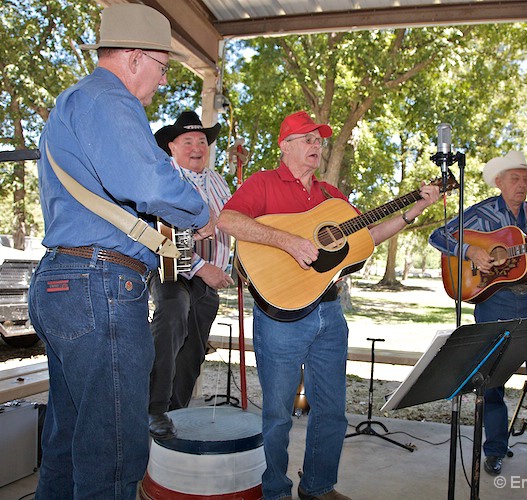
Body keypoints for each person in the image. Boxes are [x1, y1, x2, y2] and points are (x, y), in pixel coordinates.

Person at [27, 5, 216, 499]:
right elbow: (148, 182)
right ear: (135, 58)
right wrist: (201, 214)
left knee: (70, 445)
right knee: (114, 454)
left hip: (68, 281)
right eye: (163, 67)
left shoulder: (74, 102)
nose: (161, 80)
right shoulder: (109, 100)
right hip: (100, 286)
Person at [218, 110, 441, 500]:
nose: (316, 145)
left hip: (330, 312)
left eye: (319, 140)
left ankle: (319, 487)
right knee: (276, 415)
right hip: (280, 317)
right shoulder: (263, 183)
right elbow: (229, 220)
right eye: (307, 138)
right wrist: (287, 241)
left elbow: (368, 234)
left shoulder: (331, 197)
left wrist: (415, 209)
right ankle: (274, 491)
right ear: (284, 146)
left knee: (332, 411)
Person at [429, 150, 527, 486]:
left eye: (526, 179)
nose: (522, 185)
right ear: (499, 181)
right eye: (515, 178)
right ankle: (494, 450)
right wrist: (471, 251)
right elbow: (438, 236)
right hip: (493, 301)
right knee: (491, 383)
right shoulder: (480, 213)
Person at [147, 111, 247, 439]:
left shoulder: (217, 180)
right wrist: (203, 269)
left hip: (210, 281)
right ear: (171, 146)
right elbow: (161, 232)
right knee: (172, 318)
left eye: (202, 141)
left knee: (193, 353)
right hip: (173, 272)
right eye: (187, 140)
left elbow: (235, 221)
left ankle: (174, 417)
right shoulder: (165, 179)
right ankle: (154, 409)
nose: (196, 146)